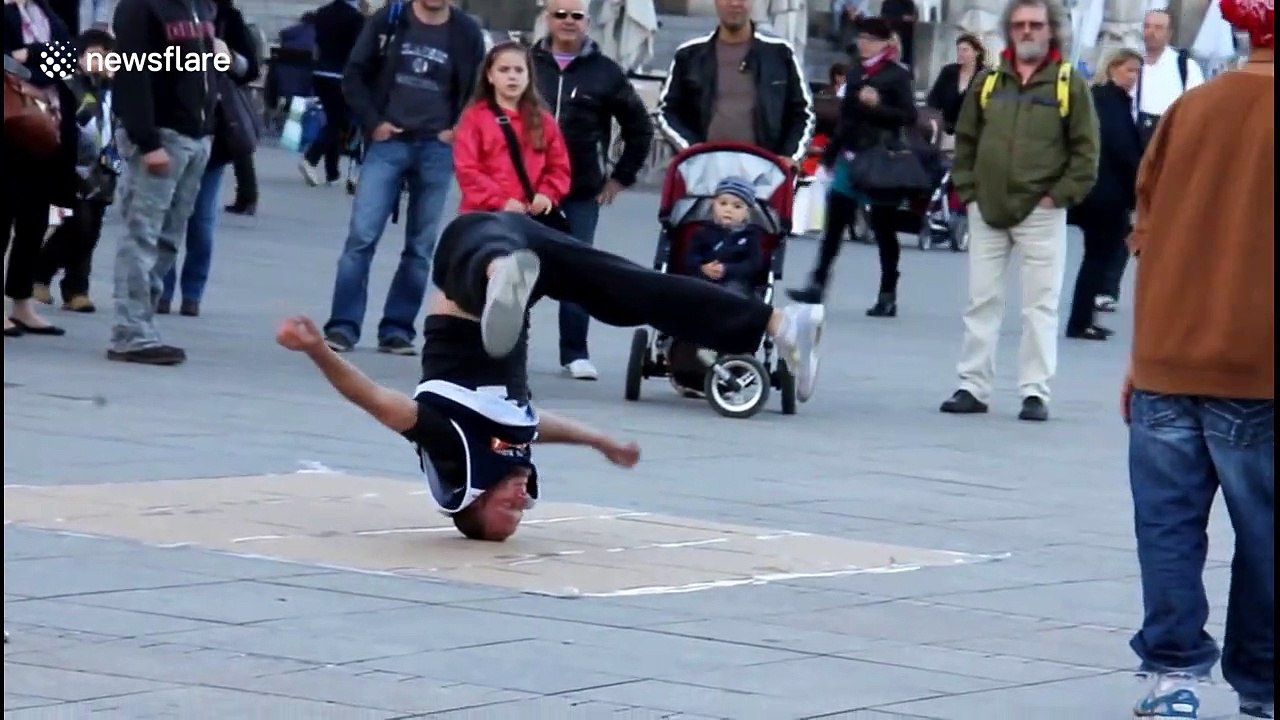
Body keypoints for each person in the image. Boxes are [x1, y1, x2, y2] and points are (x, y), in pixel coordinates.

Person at [276, 211, 826, 541]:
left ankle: (499, 278)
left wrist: (317, 350)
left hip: (474, 247)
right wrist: (600, 440)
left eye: (504, 513)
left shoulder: (447, 445)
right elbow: (537, 425)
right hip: (527, 247)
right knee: (632, 295)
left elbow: (374, 399)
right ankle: (779, 323)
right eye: (521, 514)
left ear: (471, 500)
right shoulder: (506, 448)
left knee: (472, 263)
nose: (521, 505)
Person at [1122, 0, 1273, 715]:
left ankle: (1174, 677)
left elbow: (1146, 227)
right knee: (1266, 533)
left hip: (1166, 354)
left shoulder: (1190, 108)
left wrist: (1136, 357)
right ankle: (1263, 683)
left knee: (1169, 529)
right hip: (1259, 365)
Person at [939, 0, 1099, 422]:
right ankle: (972, 385)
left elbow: (1086, 152)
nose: (1028, 31)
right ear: (1009, 31)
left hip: (1041, 210)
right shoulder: (989, 81)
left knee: (1039, 305)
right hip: (987, 206)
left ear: (1051, 31)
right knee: (981, 299)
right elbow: (967, 140)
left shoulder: (1068, 83)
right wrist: (969, 190)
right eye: (1020, 25)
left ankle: (1034, 391)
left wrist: (1057, 196)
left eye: (1036, 25)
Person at [322, 0, 486, 355]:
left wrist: (458, 128)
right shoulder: (391, 19)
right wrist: (373, 122)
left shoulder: (465, 31)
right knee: (361, 237)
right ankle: (343, 327)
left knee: (421, 247)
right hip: (390, 141)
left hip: (437, 148)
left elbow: (478, 88)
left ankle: (397, 329)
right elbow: (354, 73)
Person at [531, 0, 653, 381]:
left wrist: (620, 177)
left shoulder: (605, 72)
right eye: (560, 15)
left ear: (587, 21)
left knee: (577, 270)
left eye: (576, 16)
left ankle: (575, 352)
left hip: (581, 188)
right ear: (547, 18)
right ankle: (504, 344)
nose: (568, 22)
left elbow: (639, 127)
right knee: (517, 266)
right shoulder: (525, 64)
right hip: (529, 187)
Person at [105, 0, 222, 364]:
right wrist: (147, 140)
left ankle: (143, 322)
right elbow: (131, 74)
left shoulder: (199, 6)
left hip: (195, 135)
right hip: (162, 136)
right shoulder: (142, 6)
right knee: (142, 235)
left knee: (168, 238)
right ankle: (130, 331)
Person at [787, 17, 917, 317]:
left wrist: (877, 106)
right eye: (861, 37)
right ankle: (817, 284)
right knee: (834, 224)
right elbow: (846, 117)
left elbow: (908, 116)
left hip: (881, 159)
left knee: (884, 228)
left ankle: (888, 292)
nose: (863, 43)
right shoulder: (856, 72)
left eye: (870, 38)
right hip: (851, 155)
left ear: (886, 43)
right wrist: (830, 153)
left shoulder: (897, 76)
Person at [1097, 7, 1206, 314]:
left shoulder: (1184, 66)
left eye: (1158, 27)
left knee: (1167, 221)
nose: (1151, 32)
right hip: (1132, 146)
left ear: (1169, 33)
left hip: (1170, 145)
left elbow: (1196, 110)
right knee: (1124, 221)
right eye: (1147, 26)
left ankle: (1166, 287)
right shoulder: (1132, 64)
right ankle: (1108, 288)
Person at [157, 0, 260, 318]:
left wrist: (228, 58)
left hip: (212, 138)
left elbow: (250, 70)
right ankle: (159, 290)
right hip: (169, 132)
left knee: (200, 222)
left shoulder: (228, 19)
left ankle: (192, 293)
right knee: (166, 220)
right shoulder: (162, 12)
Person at [656, 0, 814, 168]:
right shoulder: (688, 55)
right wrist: (691, 148)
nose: (735, 3)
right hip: (701, 169)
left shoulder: (780, 53)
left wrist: (790, 155)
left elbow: (803, 112)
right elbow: (666, 110)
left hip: (765, 171)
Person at [3, 0, 77, 339]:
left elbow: (67, 59)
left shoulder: (47, 12)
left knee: (34, 220)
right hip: (9, 122)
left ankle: (21, 301)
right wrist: (33, 60)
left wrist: (28, 55)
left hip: (46, 126)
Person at [32, 28, 119, 315]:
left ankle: (77, 288)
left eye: (108, 58)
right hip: (74, 169)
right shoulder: (70, 85)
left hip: (106, 172)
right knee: (76, 225)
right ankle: (40, 273)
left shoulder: (115, 91)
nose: (102, 63)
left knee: (91, 231)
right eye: (95, 56)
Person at [1064, 48, 1142, 342]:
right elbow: (1122, 149)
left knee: (1097, 257)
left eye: (1137, 71)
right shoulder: (1109, 102)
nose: (1133, 77)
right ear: (1112, 69)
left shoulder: (1103, 99)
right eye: (1129, 70)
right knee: (1098, 257)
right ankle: (1081, 320)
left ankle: (1084, 318)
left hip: (1099, 191)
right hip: (1105, 194)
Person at [453, 43, 571, 222]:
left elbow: (559, 167)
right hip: (484, 215)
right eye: (504, 70)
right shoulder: (474, 118)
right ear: (490, 76)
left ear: (529, 76)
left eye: (519, 70)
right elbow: (467, 168)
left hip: (531, 215)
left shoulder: (544, 121)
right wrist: (500, 201)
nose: (512, 76)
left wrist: (546, 194)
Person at [300, 0, 362, 187]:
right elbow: (358, 50)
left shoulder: (323, 12)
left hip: (320, 73)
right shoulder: (356, 18)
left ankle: (332, 171)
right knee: (339, 122)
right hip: (340, 75)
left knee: (333, 119)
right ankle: (311, 158)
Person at [683, 177, 763, 295]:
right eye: (723, 204)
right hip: (703, 277)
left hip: (735, 280)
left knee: (733, 292)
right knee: (690, 288)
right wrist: (703, 267)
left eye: (737, 206)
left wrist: (727, 269)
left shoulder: (750, 236)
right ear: (713, 205)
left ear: (747, 213)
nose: (728, 210)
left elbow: (753, 264)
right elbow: (690, 257)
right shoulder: (703, 232)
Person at [926, 33, 986, 137]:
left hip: (973, 133)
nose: (960, 53)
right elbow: (933, 99)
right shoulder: (948, 71)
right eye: (958, 50)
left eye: (965, 50)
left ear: (976, 52)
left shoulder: (985, 75)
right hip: (947, 131)